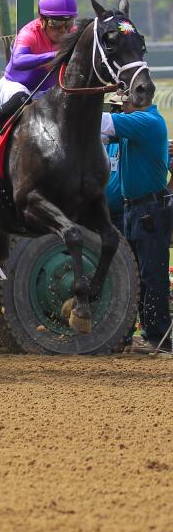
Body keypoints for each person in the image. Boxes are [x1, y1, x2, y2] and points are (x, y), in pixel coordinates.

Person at [101, 93, 171, 354]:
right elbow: (103, 137)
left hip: (149, 209)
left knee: (151, 274)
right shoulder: (137, 126)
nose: (120, 108)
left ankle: (158, 338)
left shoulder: (148, 122)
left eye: (123, 104)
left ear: (138, 102)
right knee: (132, 275)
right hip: (135, 208)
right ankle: (129, 334)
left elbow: (102, 124)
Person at [0, 0, 78, 125]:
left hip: (48, 92)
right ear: (43, 20)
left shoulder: (74, 33)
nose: (63, 30)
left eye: (68, 23)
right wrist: (55, 55)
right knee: (22, 99)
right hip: (16, 86)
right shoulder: (29, 33)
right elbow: (18, 60)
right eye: (56, 23)